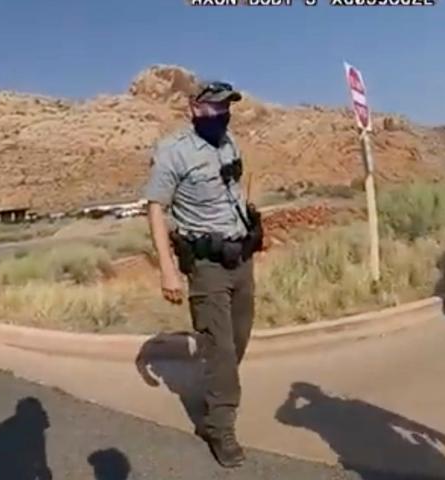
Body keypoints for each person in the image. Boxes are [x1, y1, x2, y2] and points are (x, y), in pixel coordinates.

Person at [143, 80, 263, 469]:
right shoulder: (173, 151)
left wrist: (250, 221)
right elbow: (157, 209)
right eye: (213, 108)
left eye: (226, 107)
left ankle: (215, 393)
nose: (221, 114)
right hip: (207, 266)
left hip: (241, 259)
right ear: (194, 108)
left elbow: (236, 187)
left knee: (238, 340)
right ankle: (220, 428)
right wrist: (168, 270)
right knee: (221, 350)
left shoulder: (230, 142)